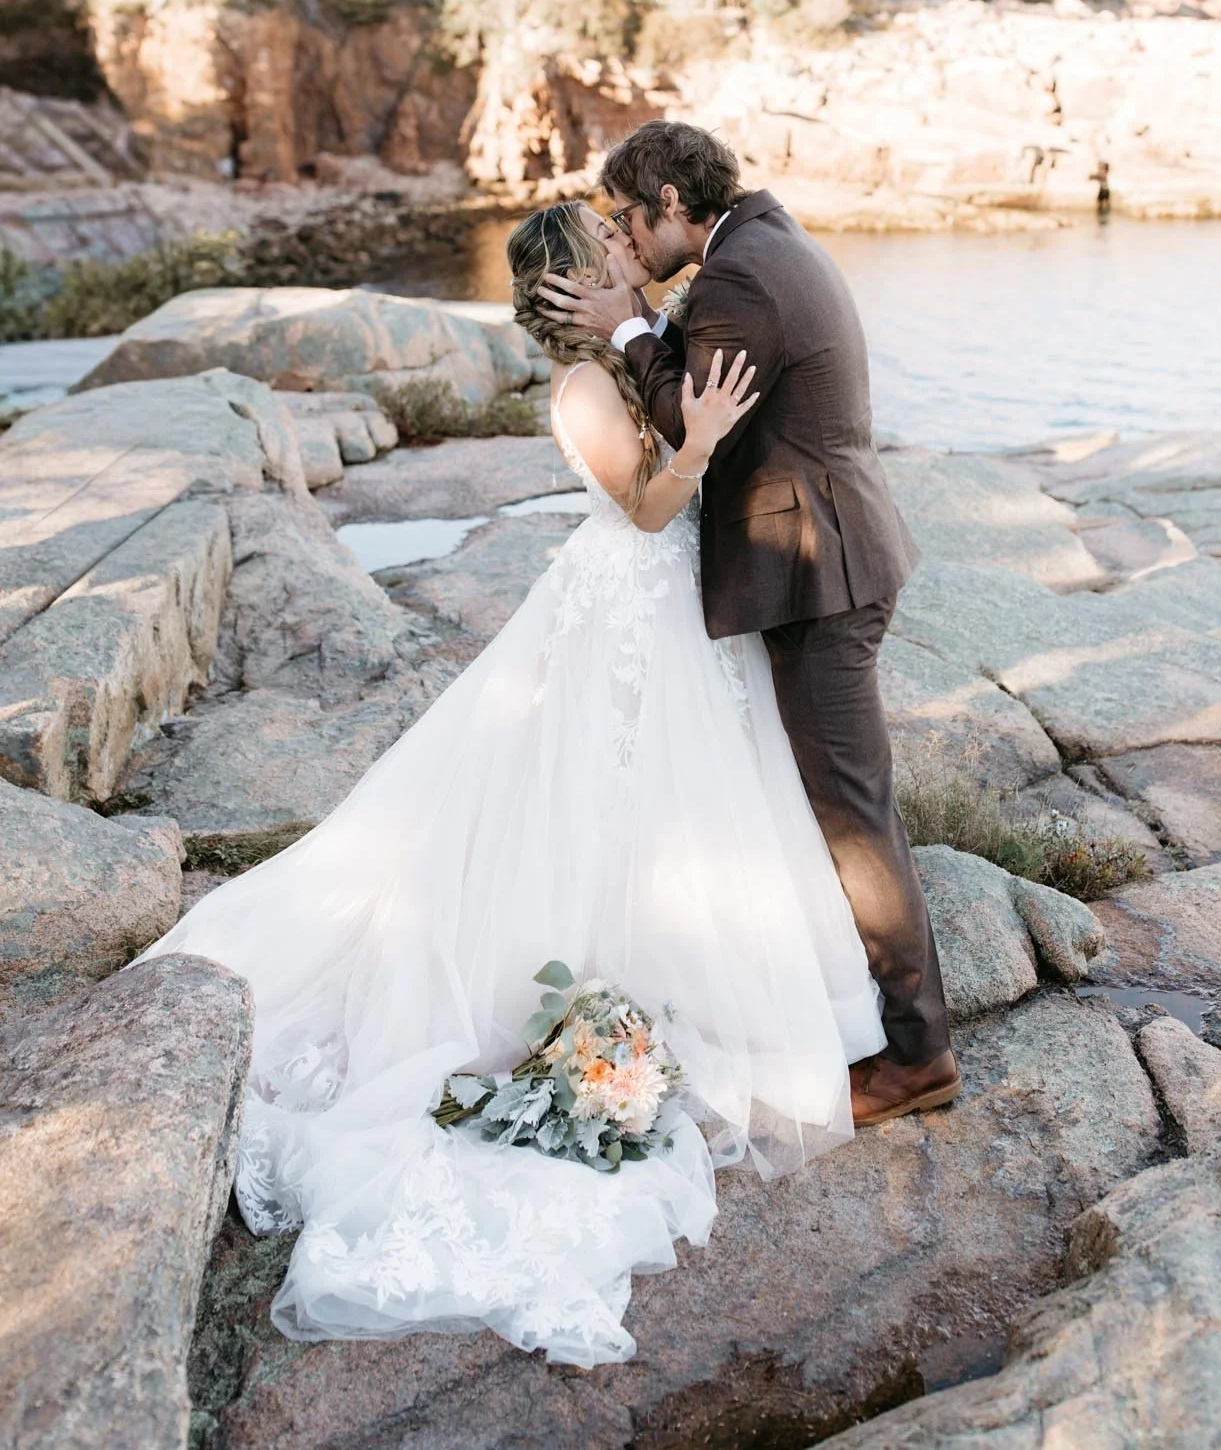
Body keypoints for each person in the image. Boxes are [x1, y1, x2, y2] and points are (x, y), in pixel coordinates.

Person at [140, 200, 893, 1367]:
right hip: (625, 615)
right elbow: (645, 511)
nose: (621, 252)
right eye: (601, 247)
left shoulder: (636, 349)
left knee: (693, 802)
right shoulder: (580, 393)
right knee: (588, 805)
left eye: (618, 240)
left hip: (681, 627)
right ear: (569, 282)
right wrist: (694, 444)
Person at [538, 122, 955, 1128]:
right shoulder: (758, 245)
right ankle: (884, 1022)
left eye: (635, 220)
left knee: (853, 818)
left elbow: (691, 423)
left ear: (676, 201)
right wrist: (640, 314)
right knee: (843, 804)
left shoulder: (739, 280)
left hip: (817, 576)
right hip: (826, 559)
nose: (630, 241)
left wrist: (632, 330)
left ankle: (917, 1056)